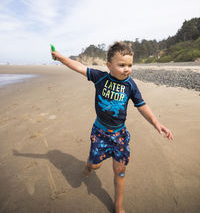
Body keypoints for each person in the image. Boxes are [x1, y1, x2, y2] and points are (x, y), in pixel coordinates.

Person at [51, 41, 173, 213]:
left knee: (120, 172)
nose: (127, 69)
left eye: (130, 65)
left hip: (119, 136)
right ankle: (89, 164)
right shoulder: (100, 77)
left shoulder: (130, 85)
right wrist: (61, 57)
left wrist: (156, 123)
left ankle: (118, 205)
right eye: (122, 65)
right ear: (109, 65)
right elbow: (79, 66)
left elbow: (142, 105)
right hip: (99, 133)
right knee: (95, 166)